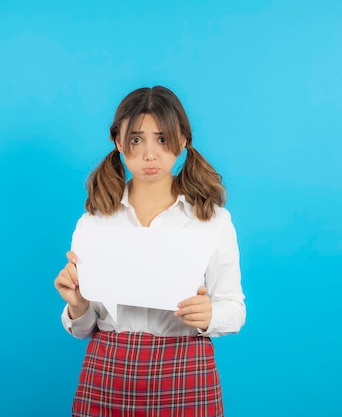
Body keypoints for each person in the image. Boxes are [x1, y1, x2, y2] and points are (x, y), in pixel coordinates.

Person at [54, 86, 245, 416]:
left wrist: (209, 315)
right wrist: (78, 304)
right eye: (137, 140)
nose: (149, 154)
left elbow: (234, 308)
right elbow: (84, 329)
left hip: (185, 368)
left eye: (162, 138)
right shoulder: (94, 222)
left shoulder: (212, 220)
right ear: (118, 142)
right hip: (108, 370)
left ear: (183, 140)